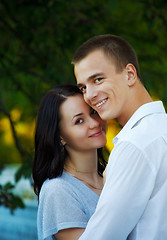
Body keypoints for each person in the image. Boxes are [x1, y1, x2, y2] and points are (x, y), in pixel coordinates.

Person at [72, 34, 167, 239]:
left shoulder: (135, 144)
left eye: (98, 79)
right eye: (83, 87)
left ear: (130, 74)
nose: (89, 95)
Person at [32, 84, 107, 240]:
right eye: (79, 121)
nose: (94, 123)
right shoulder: (58, 190)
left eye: (93, 112)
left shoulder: (112, 175)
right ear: (60, 137)